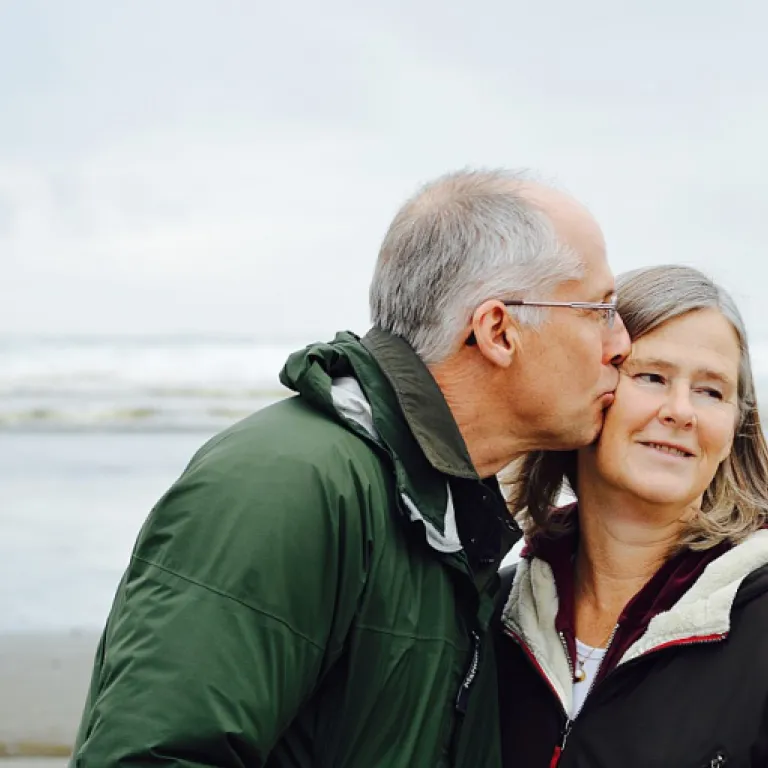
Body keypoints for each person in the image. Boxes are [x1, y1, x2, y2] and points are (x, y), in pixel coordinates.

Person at [70, 169, 630, 768]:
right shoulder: (288, 484)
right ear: (498, 331)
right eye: (597, 309)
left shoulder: (444, 512)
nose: (621, 343)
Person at [497, 264, 768, 767]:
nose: (681, 410)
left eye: (711, 390)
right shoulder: (495, 611)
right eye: (651, 377)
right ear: (592, 391)